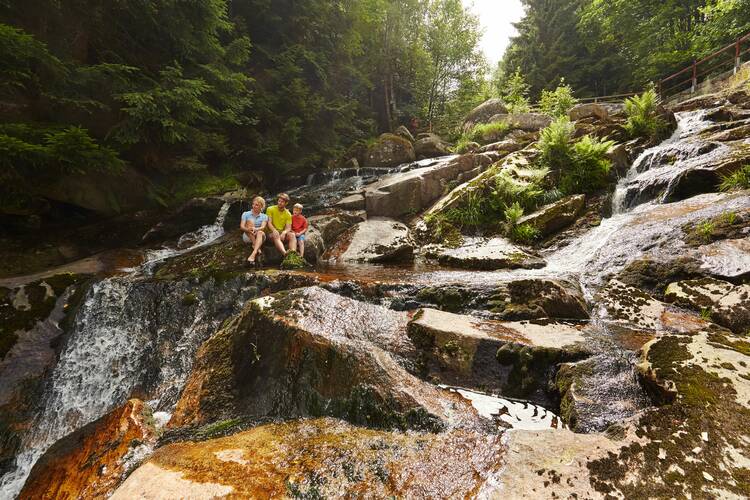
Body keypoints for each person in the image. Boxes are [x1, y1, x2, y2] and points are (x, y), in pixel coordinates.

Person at [240, 196, 269, 264]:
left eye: (256, 205)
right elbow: (242, 226)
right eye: (253, 204)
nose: (254, 206)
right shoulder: (246, 214)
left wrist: (256, 229)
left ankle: (254, 251)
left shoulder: (264, 216)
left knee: (260, 232)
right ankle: (256, 245)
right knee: (250, 222)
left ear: (261, 206)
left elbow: (263, 227)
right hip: (248, 236)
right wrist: (249, 229)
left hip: (260, 237)